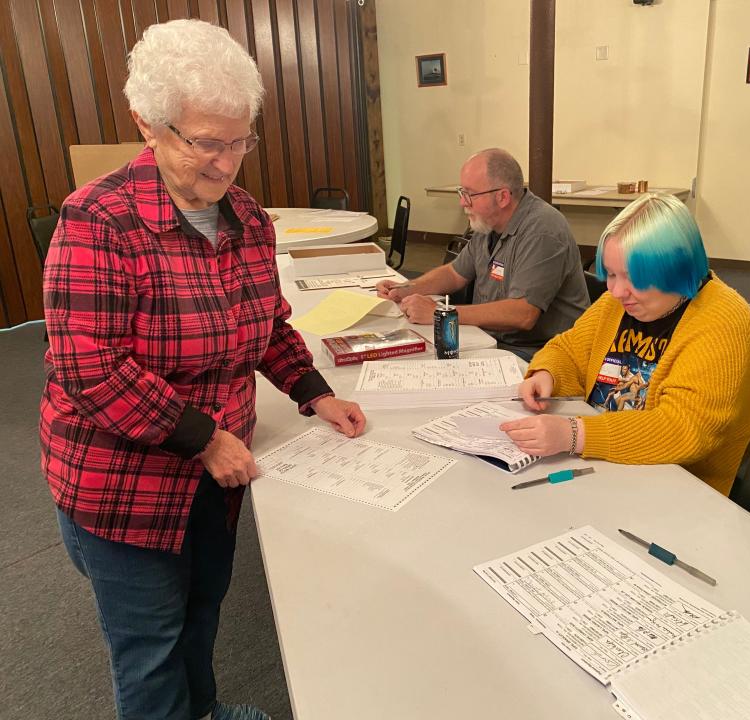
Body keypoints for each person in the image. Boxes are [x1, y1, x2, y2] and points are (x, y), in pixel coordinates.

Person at [40, 19, 365, 720]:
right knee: (150, 649)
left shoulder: (248, 218)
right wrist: (206, 439)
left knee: (201, 616)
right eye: (205, 143)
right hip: (122, 484)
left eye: (239, 140)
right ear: (147, 127)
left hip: (214, 479)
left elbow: (267, 325)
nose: (225, 164)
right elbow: (87, 367)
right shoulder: (97, 219)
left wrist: (314, 392)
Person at [500, 193, 750, 496]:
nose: (617, 291)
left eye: (634, 278)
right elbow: (569, 349)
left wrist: (576, 434)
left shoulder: (723, 323)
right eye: (612, 274)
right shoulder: (618, 304)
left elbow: (684, 429)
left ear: (676, 269)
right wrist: (547, 374)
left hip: (707, 490)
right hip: (623, 470)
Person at [376, 148, 589, 360]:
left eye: (469, 194)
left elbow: (523, 314)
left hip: (542, 353)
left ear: (503, 197)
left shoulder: (543, 231)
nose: (462, 202)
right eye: (462, 193)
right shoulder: (488, 225)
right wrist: (406, 289)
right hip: (495, 340)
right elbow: (454, 273)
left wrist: (440, 314)